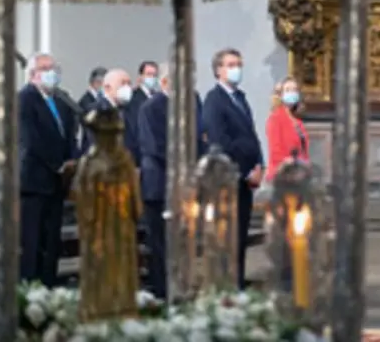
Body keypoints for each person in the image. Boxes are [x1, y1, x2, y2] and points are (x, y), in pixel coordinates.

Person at [138, 64, 206, 299]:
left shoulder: (193, 102)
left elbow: (200, 136)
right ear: (166, 83)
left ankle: (182, 286)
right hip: (160, 184)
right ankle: (162, 290)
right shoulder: (151, 107)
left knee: (183, 242)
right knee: (160, 243)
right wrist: (184, 164)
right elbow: (155, 146)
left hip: (184, 184)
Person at [202, 48, 263, 289]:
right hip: (229, 180)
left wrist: (259, 164)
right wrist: (245, 171)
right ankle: (227, 286)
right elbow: (220, 141)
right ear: (218, 70)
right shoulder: (214, 100)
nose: (236, 68)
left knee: (240, 238)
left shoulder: (241, 98)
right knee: (228, 238)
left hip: (247, 179)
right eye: (230, 64)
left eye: (238, 64)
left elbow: (251, 135)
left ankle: (237, 283)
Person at [19, 53, 79, 287]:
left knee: (51, 241)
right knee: (33, 241)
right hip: (35, 180)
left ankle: (49, 286)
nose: (51, 72)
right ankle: (30, 289)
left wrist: (72, 160)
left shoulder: (61, 102)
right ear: (33, 74)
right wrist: (57, 165)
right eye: (45, 68)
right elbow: (31, 139)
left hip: (57, 183)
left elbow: (69, 136)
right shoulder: (25, 99)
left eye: (54, 68)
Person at [84, 69, 140, 166]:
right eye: (122, 83)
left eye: (129, 83)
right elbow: (96, 144)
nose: (127, 88)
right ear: (107, 88)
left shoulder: (131, 110)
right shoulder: (97, 111)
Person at [264, 77, 309, 183]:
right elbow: (275, 151)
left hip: (300, 175)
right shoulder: (275, 118)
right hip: (282, 176)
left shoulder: (298, 121)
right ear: (280, 95)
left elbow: (304, 150)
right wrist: (290, 164)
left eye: (294, 90)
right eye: (288, 90)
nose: (292, 93)